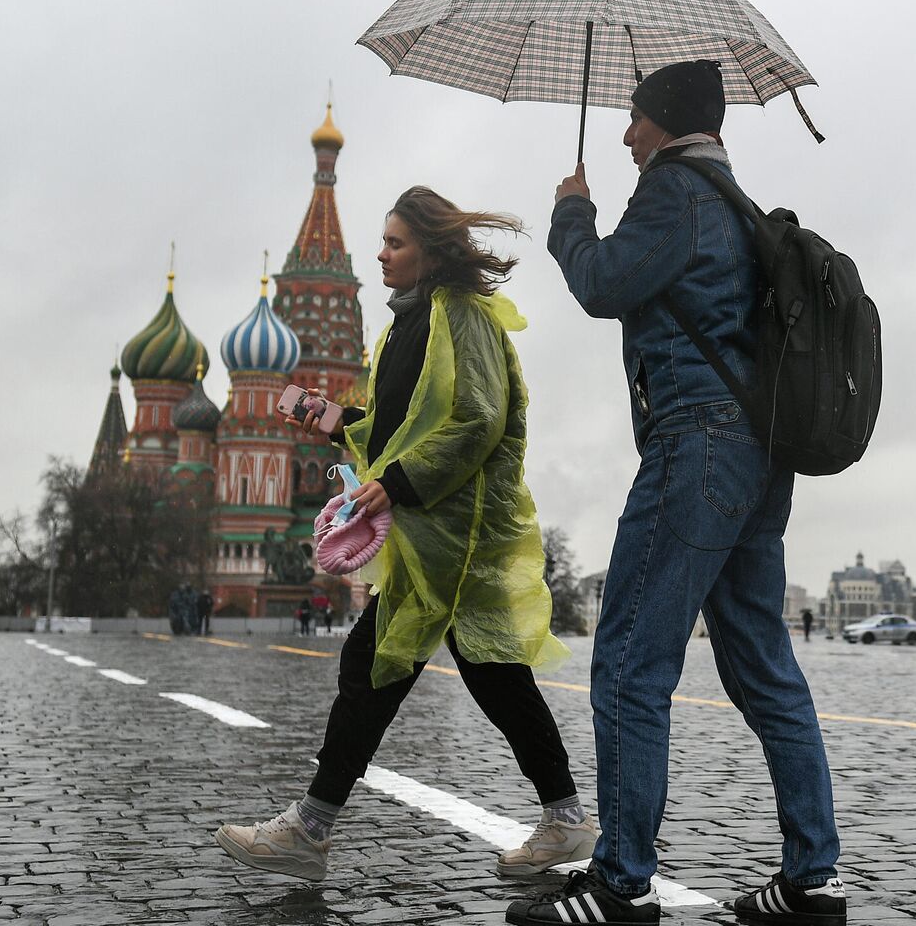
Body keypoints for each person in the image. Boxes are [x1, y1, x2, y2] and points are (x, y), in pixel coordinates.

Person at [511, 61, 845, 926]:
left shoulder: (672, 194)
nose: (624, 135)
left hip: (697, 447)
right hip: (757, 458)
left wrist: (571, 213)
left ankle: (621, 884)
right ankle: (813, 881)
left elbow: (601, 285)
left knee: (627, 661)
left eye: (632, 119)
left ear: (663, 121)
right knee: (765, 669)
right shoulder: (730, 197)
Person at [214, 187, 594, 883]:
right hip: (430, 540)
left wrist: (400, 483)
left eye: (394, 243)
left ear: (431, 251)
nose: (382, 255)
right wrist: (328, 418)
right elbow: (393, 431)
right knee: (463, 674)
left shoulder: (463, 318)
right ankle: (564, 821)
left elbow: (478, 419)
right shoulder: (405, 327)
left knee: (392, 670)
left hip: (461, 534)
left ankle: (310, 828)